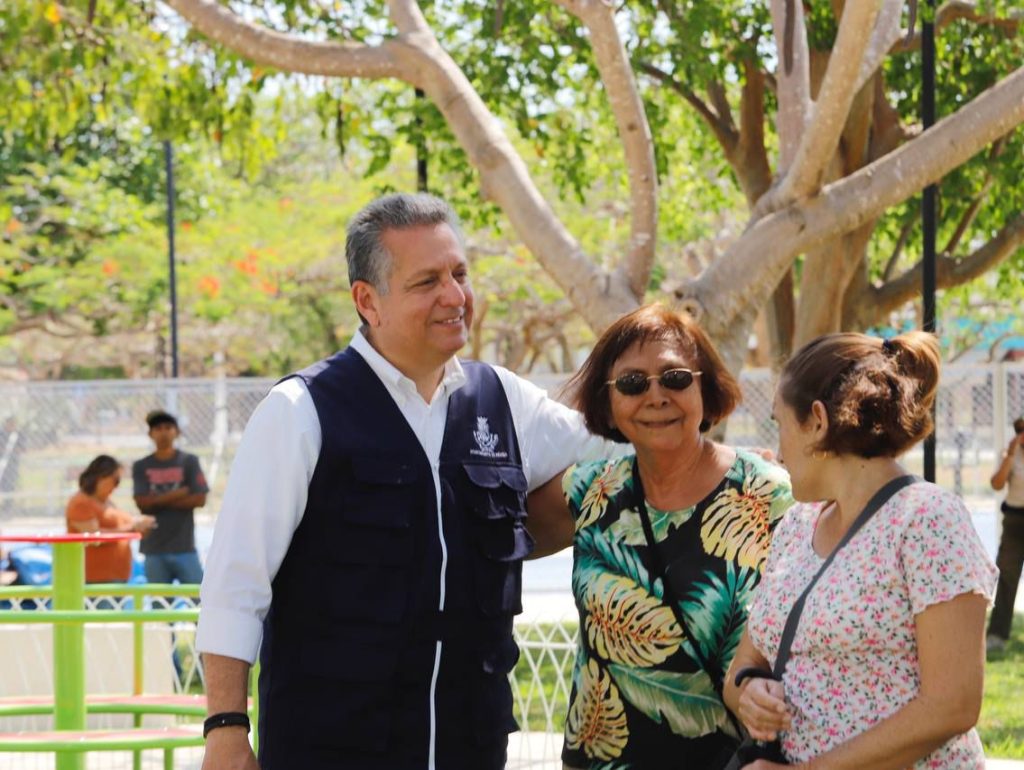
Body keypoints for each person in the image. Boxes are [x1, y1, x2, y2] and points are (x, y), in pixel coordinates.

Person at [195, 193, 613, 770]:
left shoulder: (504, 401)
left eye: (459, 274)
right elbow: (235, 585)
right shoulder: (300, 411)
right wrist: (225, 728)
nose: (454, 296)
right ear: (367, 301)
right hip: (331, 750)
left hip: (471, 748)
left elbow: (621, 459)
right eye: (426, 282)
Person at [528, 304, 792, 770]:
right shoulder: (591, 491)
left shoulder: (769, 493)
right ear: (607, 402)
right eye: (632, 383)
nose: (656, 396)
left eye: (675, 378)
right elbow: (486, 539)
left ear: (705, 388)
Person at [724, 332, 998, 769]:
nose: (777, 451)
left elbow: (953, 705)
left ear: (817, 421)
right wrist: (751, 692)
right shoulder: (797, 525)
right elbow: (743, 667)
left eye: (779, 424)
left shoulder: (927, 520)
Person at [132, 410, 208, 591]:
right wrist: (179, 493)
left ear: (177, 432)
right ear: (151, 434)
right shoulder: (141, 465)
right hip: (154, 549)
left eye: (168, 427)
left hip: (185, 547)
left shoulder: (189, 461)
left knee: (198, 601)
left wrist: (157, 501)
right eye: (158, 428)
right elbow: (142, 504)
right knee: (160, 604)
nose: (163, 433)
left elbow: (200, 499)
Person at [66, 455, 155, 584]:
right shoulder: (81, 503)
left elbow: (122, 526)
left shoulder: (106, 502)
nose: (116, 486)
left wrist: (140, 526)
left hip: (115, 577)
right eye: (116, 480)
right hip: (95, 579)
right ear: (100, 477)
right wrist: (132, 528)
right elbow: (93, 536)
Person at [987, 415, 1024, 652]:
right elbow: (997, 484)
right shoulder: (1011, 455)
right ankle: (997, 635)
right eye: (1019, 430)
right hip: (1014, 521)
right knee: (1007, 575)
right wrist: (1010, 455)